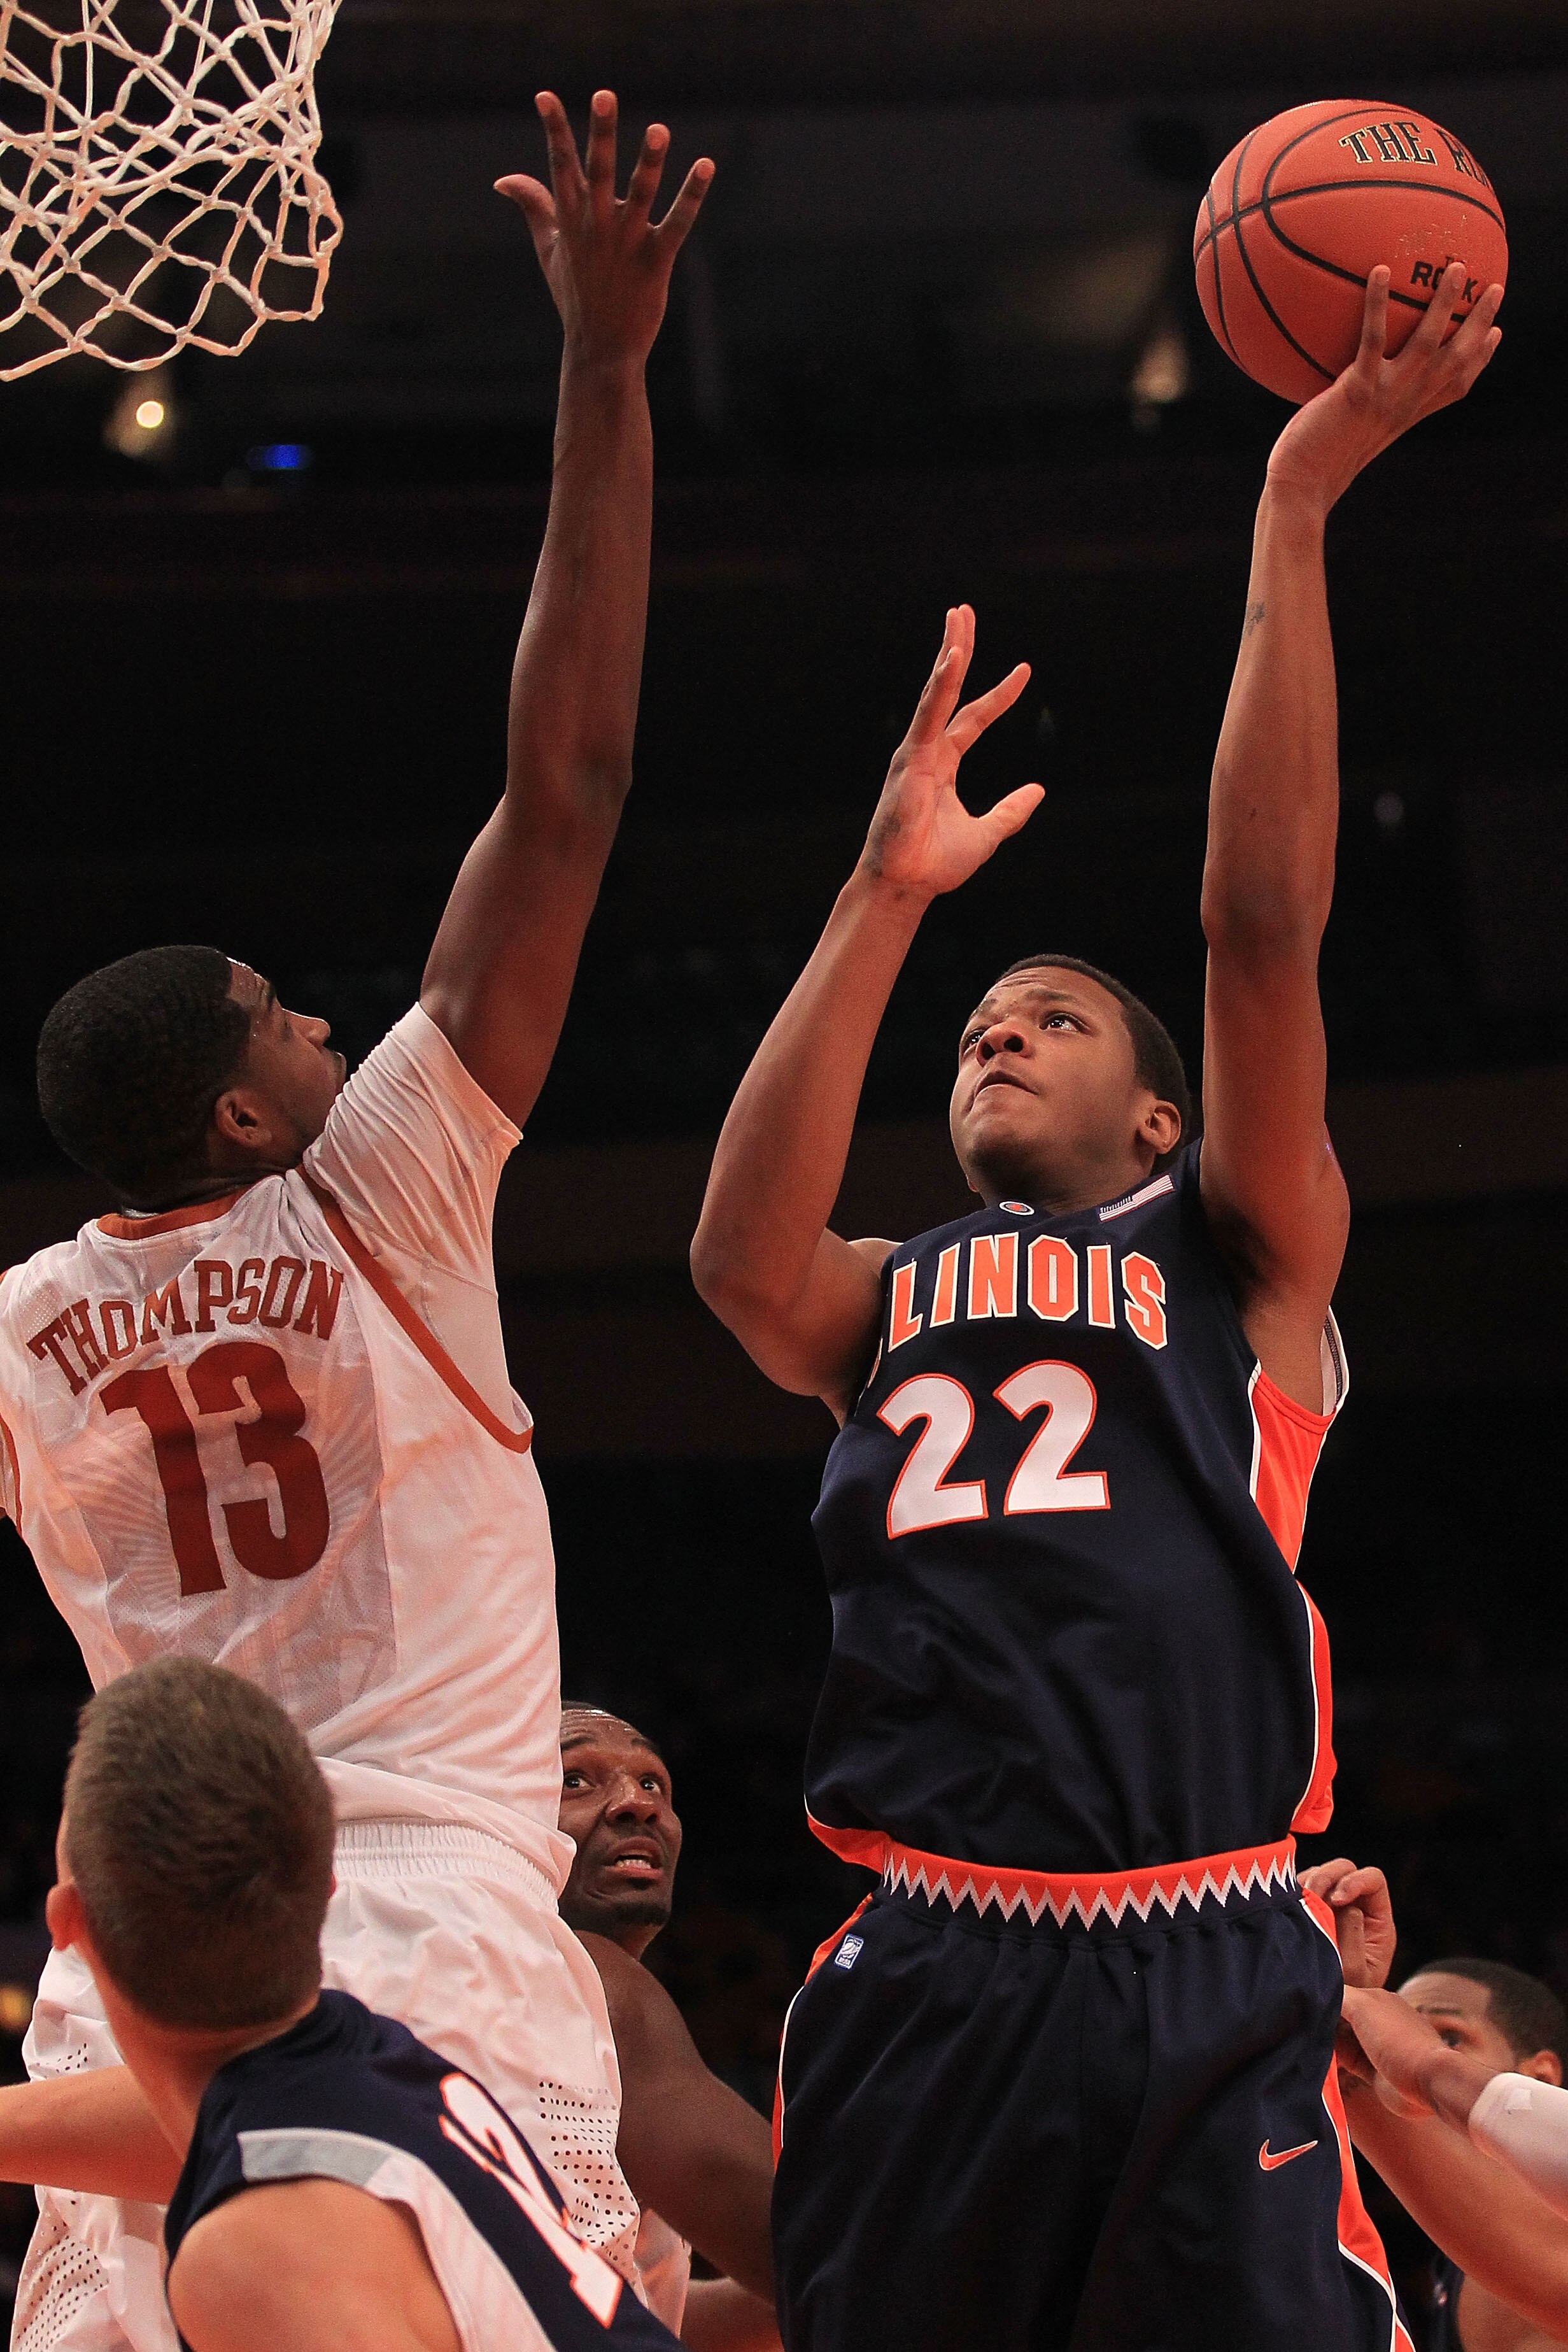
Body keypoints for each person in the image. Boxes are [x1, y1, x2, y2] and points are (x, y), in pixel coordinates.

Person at [690, 263, 1503, 2352]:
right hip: (930, 1949)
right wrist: (885, 896)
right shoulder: (886, 1293)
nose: (995, 1033)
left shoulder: (1233, 1243)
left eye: (1046, 1015)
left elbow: (1258, 911)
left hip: (1195, 1940)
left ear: (1156, 1103)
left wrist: (1295, 509)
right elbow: (731, 1264)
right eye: (976, 1022)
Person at [0, 91, 712, 2352]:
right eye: (290, 1015)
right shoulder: (380, 1187)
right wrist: (602, 368)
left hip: (124, 1976)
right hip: (418, 1950)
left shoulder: (21, 1325)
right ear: (240, 1098)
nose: (333, 1022)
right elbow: (567, 784)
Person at [33, 1654, 684, 2352]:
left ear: (71, 1926)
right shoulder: (385, 2062)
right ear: (326, 1896)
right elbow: (173, 2110)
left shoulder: (256, 2247)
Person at [557, 1704, 781, 2351]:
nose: (637, 1804)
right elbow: (813, 2246)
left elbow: (658, 2312)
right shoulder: (583, 1975)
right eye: (576, 1778)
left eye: (653, 1783)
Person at [1308, 1856, 1568, 2347]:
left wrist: (1424, 2064)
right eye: (1399, 2027)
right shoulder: (1457, 2251)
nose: (1395, 2050)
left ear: (1542, 2076)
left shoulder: (1534, 2248)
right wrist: (1340, 2015)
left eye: (1450, 2035)